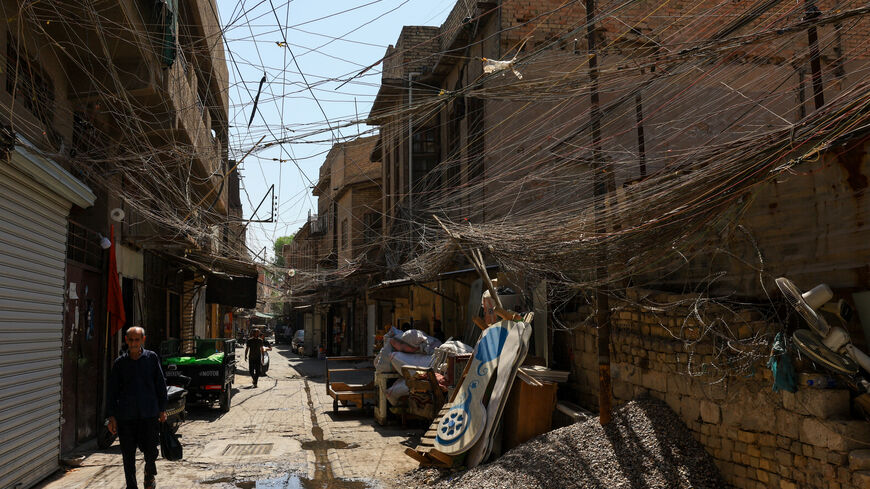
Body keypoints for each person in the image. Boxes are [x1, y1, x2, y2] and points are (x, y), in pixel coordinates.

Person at [106, 326, 167, 489]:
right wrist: (111, 416)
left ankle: (149, 474)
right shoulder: (120, 364)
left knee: (151, 452)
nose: (133, 343)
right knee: (128, 456)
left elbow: (160, 384)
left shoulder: (151, 358)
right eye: (131, 340)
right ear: (126, 340)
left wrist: (162, 409)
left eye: (137, 340)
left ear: (143, 340)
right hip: (126, 417)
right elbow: (112, 391)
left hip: (149, 415)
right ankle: (131, 486)